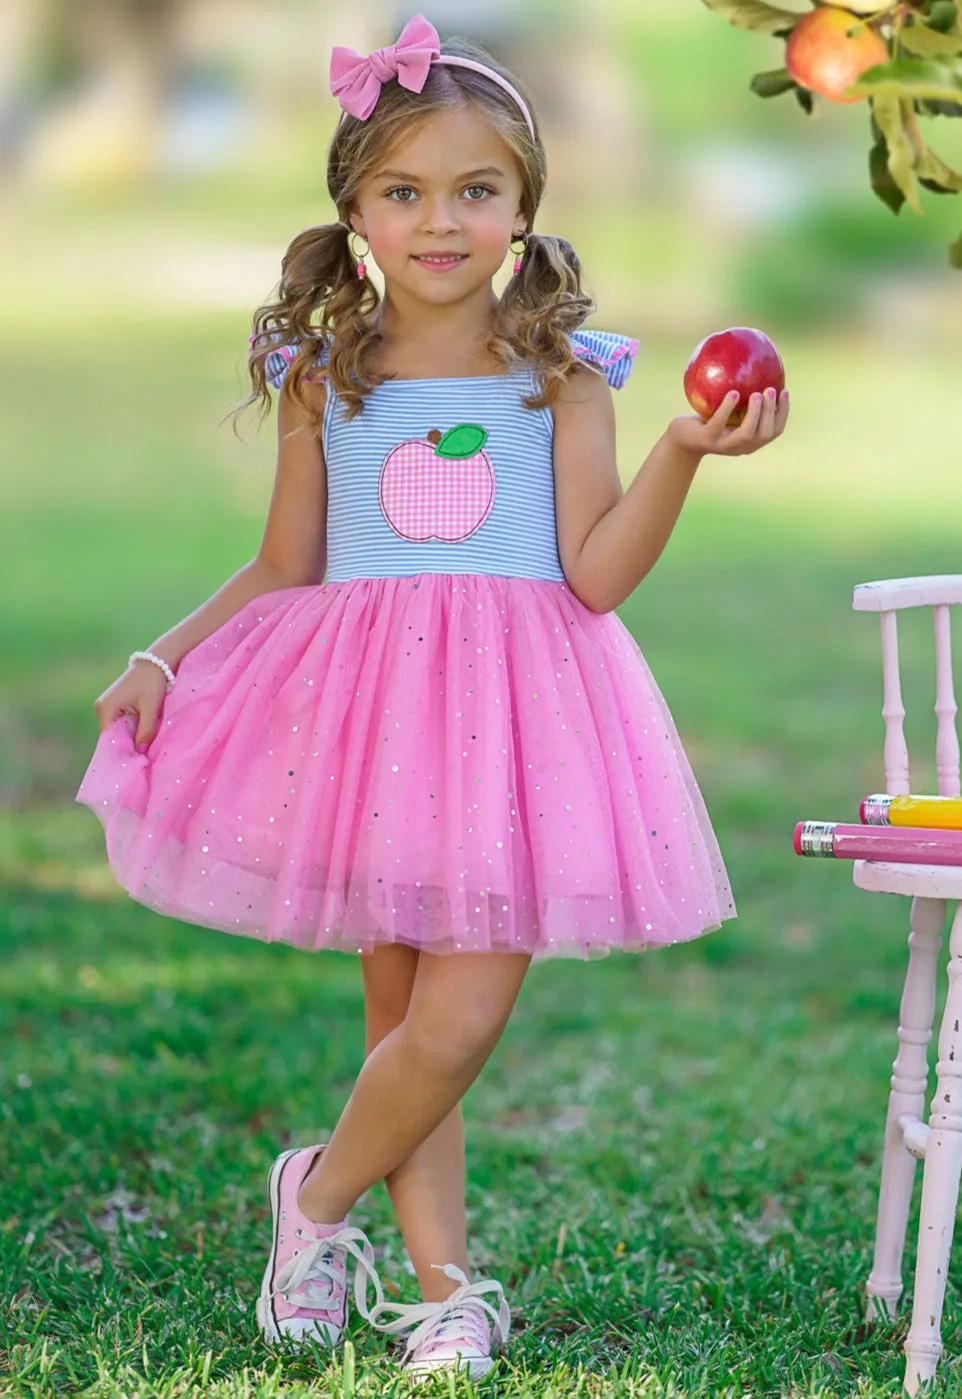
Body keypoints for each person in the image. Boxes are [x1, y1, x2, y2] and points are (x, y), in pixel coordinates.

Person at [76, 12, 789, 1383]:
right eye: (403, 191)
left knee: (456, 1022)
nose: (440, 220)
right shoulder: (325, 375)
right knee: (402, 1028)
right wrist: (166, 654)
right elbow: (284, 565)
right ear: (353, 210)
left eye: (475, 190)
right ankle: (443, 1289)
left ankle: (314, 1199)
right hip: (369, 727)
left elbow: (593, 578)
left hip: (516, 725)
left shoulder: (566, 378)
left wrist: (684, 452)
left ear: (523, 208)